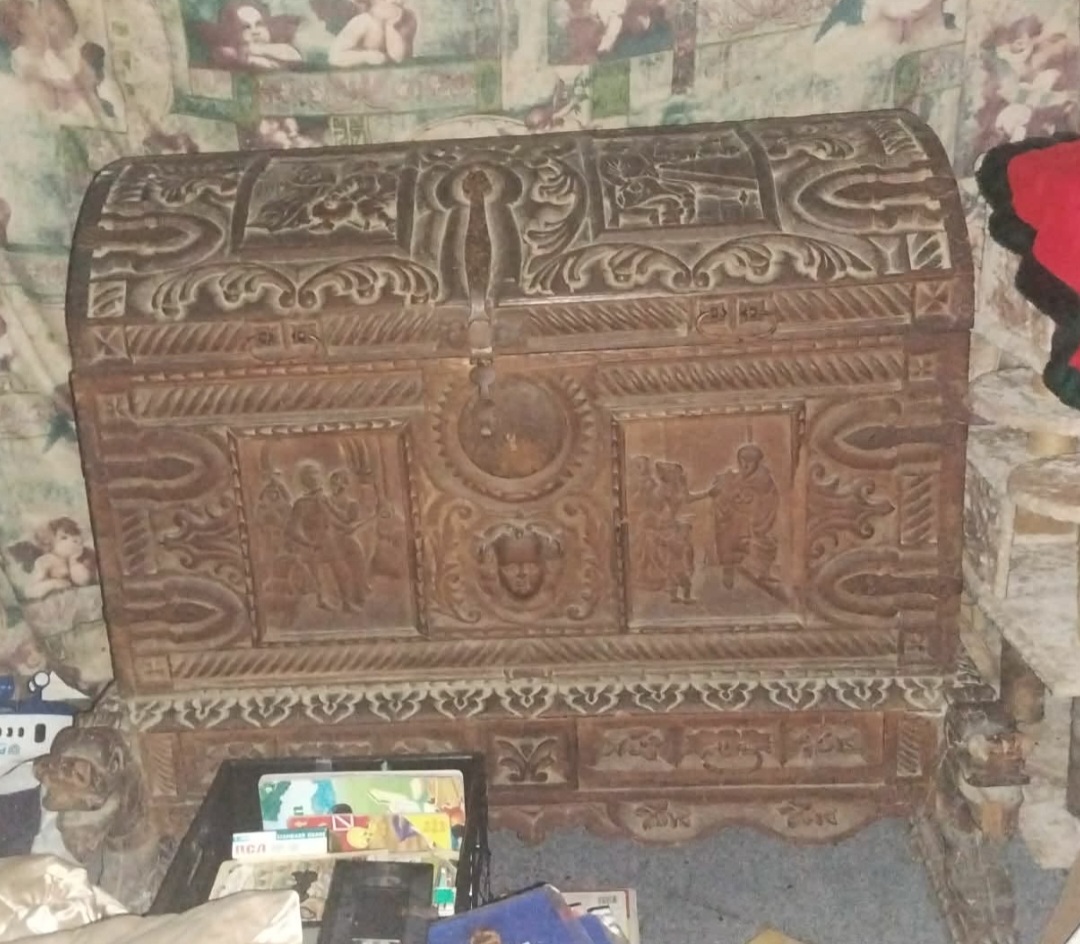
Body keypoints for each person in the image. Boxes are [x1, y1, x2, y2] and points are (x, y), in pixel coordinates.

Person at [327, 0, 416, 67]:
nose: (396, 2)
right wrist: (366, 56)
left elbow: (398, 58)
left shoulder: (406, 18)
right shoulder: (363, 21)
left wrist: (390, 25)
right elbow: (334, 57)